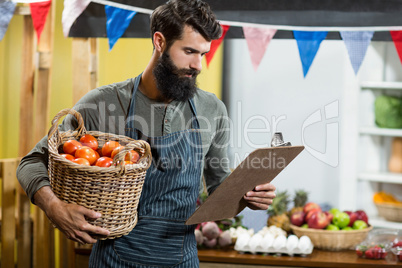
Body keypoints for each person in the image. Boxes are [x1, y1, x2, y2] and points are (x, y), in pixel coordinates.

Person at [17, 0, 276, 266]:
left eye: (202, 53)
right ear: (159, 41)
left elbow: (219, 187)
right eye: (189, 51)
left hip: (181, 259)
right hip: (113, 259)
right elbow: (31, 162)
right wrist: (54, 207)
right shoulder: (103, 103)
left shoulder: (212, 110)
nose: (197, 65)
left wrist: (246, 196)